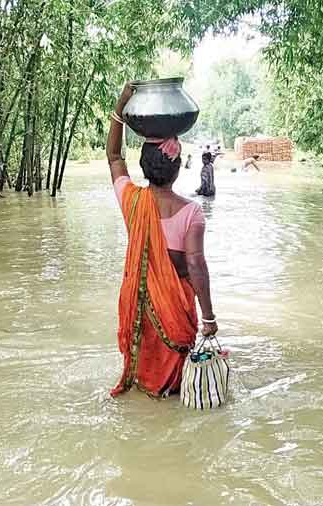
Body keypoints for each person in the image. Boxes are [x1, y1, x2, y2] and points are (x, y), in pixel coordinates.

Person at [106, 83, 218, 398]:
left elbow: (113, 156)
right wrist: (208, 317)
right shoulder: (192, 213)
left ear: (143, 166)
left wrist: (120, 108)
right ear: (177, 169)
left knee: (143, 384)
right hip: (175, 313)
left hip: (141, 312)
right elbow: (195, 265)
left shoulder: (131, 201)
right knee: (177, 391)